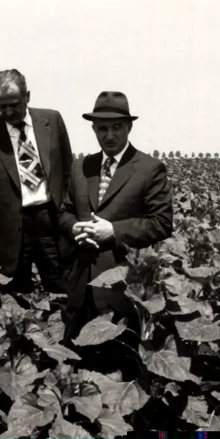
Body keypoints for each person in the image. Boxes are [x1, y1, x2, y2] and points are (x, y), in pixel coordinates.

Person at [59, 91, 173, 342]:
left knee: (118, 361)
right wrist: (74, 227)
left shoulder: (149, 168)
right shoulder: (81, 167)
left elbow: (162, 223)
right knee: (78, 359)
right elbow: (65, 212)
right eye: (102, 128)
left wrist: (114, 231)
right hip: (81, 284)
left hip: (123, 287)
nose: (109, 135)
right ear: (93, 129)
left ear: (129, 127)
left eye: (116, 127)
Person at [0, 69, 73, 293]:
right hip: (10, 229)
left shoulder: (52, 120)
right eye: (2, 106)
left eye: (15, 104)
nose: (9, 111)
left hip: (52, 221)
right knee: (13, 297)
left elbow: (69, 175)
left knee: (63, 290)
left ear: (27, 96)